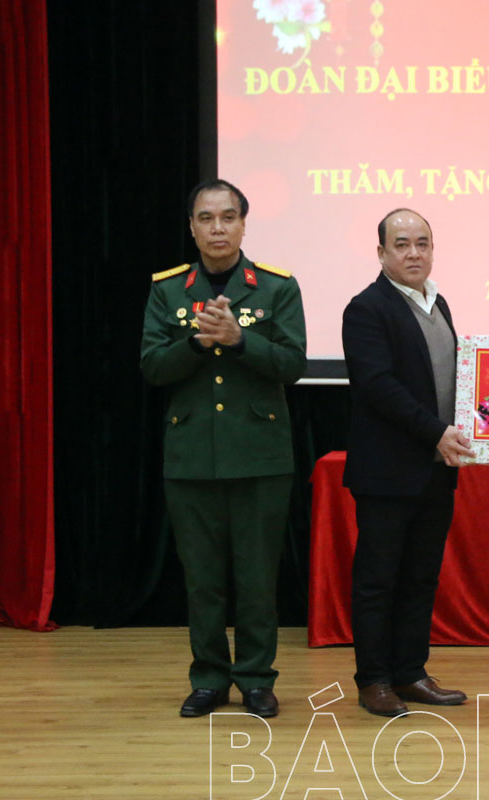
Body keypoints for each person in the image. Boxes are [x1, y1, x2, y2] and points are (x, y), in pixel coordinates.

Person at [140, 179, 307, 718]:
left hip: (260, 456)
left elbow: (292, 365)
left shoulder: (277, 287)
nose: (218, 228)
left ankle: (256, 679)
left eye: (228, 217)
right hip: (192, 456)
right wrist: (196, 343)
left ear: (243, 225)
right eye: (206, 218)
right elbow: (152, 367)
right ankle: (209, 678)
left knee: (257, 580)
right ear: (191, 227)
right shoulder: (169, 290)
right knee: (203, 581)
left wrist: (240, 340)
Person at [340, 208, 476, 718]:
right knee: (378, 580)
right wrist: (436, 431)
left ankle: (410, 672)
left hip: (436, 468)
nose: (413, 252)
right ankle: (374, 680)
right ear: (381, 253)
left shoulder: (439, 304)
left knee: (421, 577)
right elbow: (378, 386)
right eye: (401, 244)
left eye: (422, 243)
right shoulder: (366, 309)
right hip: (388, 473)